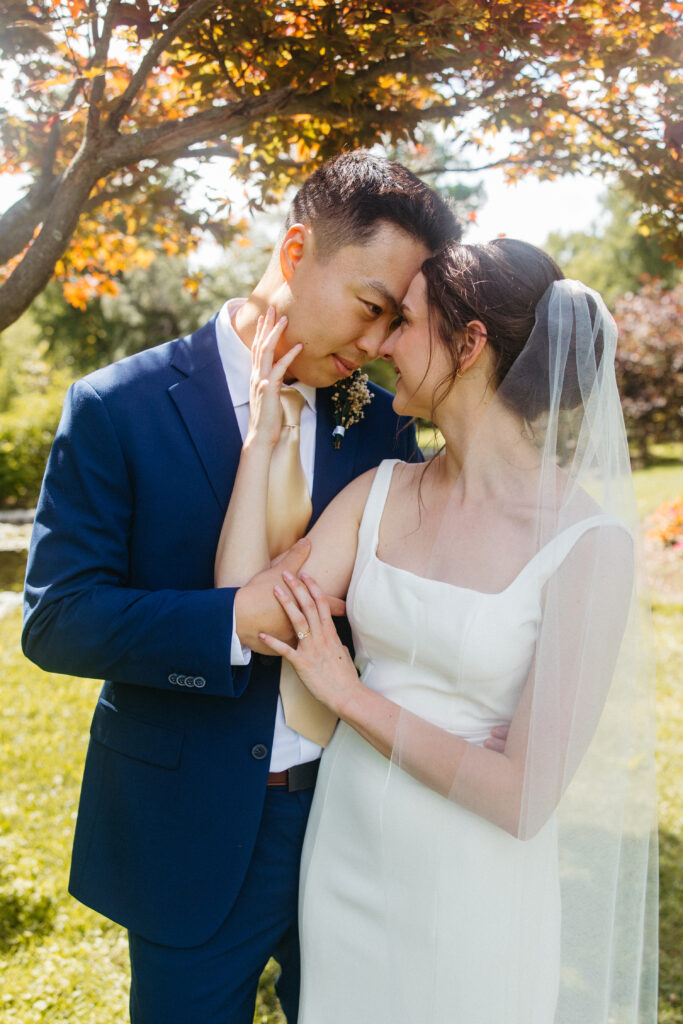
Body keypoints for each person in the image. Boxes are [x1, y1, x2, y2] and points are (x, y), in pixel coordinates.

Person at [21, 151, 469, 1024]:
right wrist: (231, 623)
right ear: (297, 250)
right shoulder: (119, 405)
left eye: (396, 323)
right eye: (371, 308)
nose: (377, 346)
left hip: (357, 822)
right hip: (188, 827)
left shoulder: (382, 427)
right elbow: (59, 619)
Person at [215, 238, 658, 1023]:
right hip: (346, 860)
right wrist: (262, 442)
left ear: (470, 339)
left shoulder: (587, 548)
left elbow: (522, 800)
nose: (378, 345)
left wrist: (349, 695)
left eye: (404, 322)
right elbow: (245, 610)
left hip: (473, 886)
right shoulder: (378, 490)